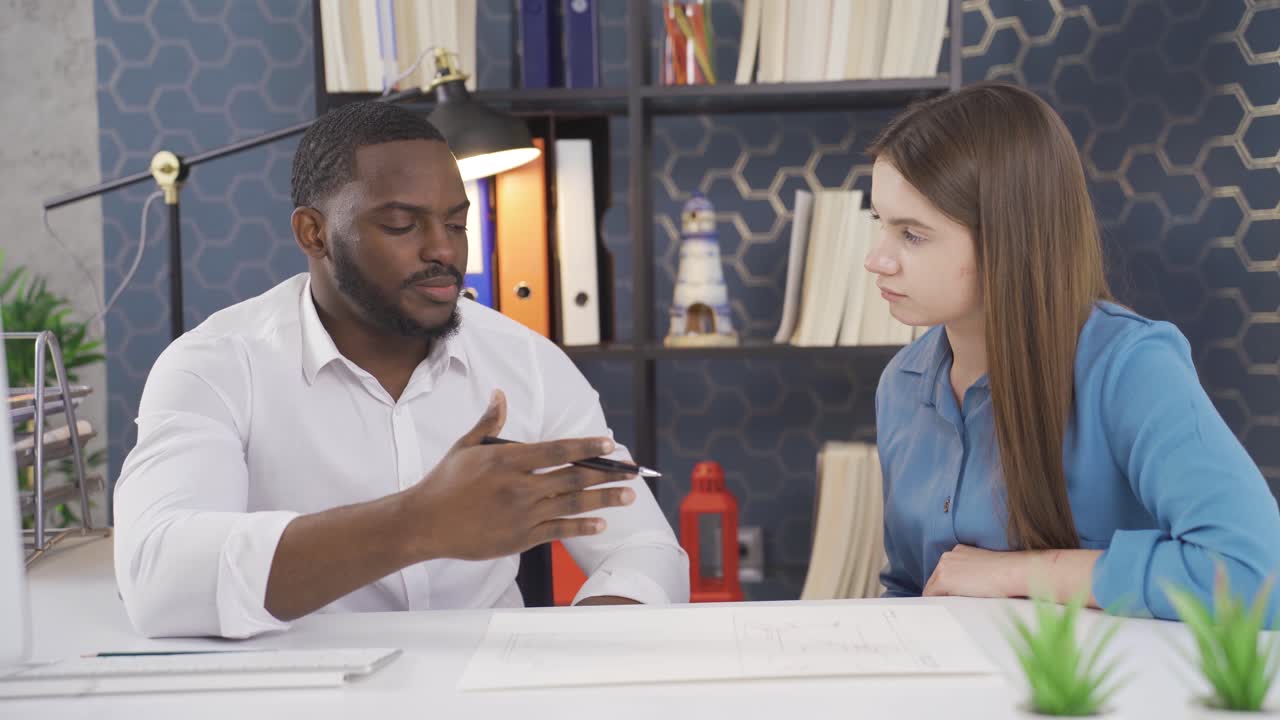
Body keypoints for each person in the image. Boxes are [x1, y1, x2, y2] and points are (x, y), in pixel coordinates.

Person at [113, 102, 689, 639]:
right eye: (401, 225)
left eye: (457, 224)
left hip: (490, 693)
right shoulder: (214, 365)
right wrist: (418, 523)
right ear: (313, 233)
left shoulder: (527, 363)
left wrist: (583, 648)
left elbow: (643, 549)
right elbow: (157, 578)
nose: (443, 250)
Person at [865, 81, 1280, 622]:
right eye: (880, 223)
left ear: (1007, 237)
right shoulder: (901, 385)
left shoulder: (1129, 366)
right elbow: (910, 588)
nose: (878, 259)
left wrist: (1021, 572)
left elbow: (1257, 576)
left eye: (912, 235)